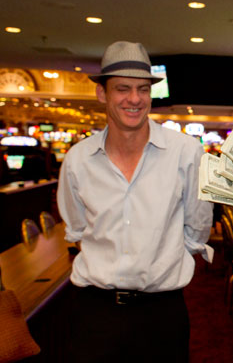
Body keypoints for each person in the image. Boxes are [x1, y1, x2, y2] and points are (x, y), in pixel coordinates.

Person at [57, 41, 214, 362]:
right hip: (93, 311)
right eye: (123, 88)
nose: (134, 99)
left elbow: (198, 229)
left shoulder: (186, 152)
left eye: (143, 89)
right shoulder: (77, 160)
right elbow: (75, 231)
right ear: (102, 94)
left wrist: (160, 263)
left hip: (162, 313)